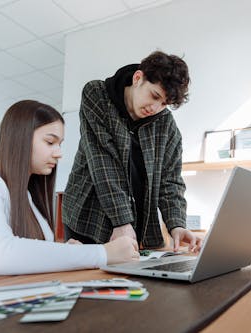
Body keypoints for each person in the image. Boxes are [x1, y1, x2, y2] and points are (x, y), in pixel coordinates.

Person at [0, 100, 139, 275]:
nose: (58, 153)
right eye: (50, 142)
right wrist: (102, 253)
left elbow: (30, 255)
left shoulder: (29, 198)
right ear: (20, 138)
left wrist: (67, 251)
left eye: (60, 144)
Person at [63, 51, 202, 252]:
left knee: (128, 280)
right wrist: (121, 221)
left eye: (164, 104)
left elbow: (170, 180)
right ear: (138, 78)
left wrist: (177, 224)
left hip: (132, 222)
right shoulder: (97, 94)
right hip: (88, 215)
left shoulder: (166, 126)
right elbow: (103, 162)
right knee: (88, 279)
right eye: (154, 95)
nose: (155, 107)